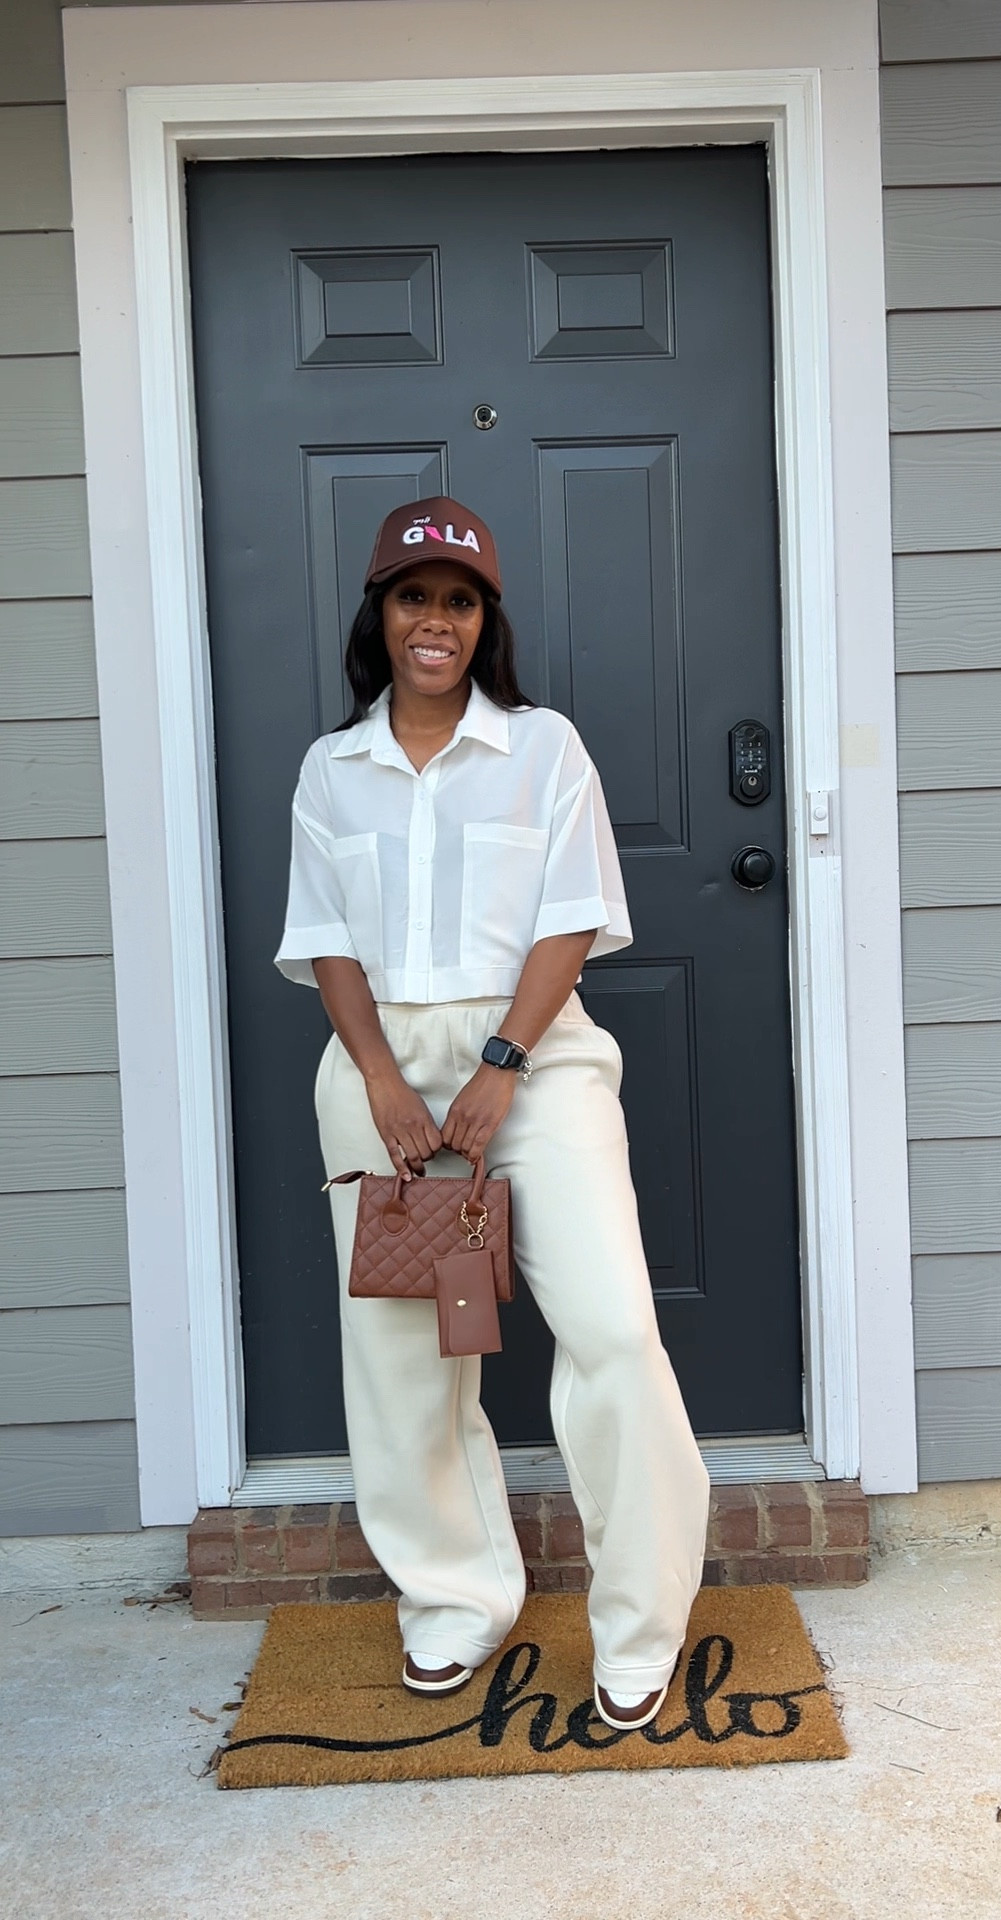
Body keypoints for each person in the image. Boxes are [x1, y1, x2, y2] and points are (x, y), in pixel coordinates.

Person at [275, 495, 709, 1731]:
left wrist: (503, 1062)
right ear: (382, 614)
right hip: (381, 1074)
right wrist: (380, 1082)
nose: (436, 621)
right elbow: (326, 942)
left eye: (459, 602)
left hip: (534, 1058)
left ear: (485, 623)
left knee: (614, 1327)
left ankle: (641, 1621)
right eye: (415, 597)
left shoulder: (543, 749)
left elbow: (573, 913)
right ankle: (455, 1600)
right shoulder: (332, 769)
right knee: (407, 1357)